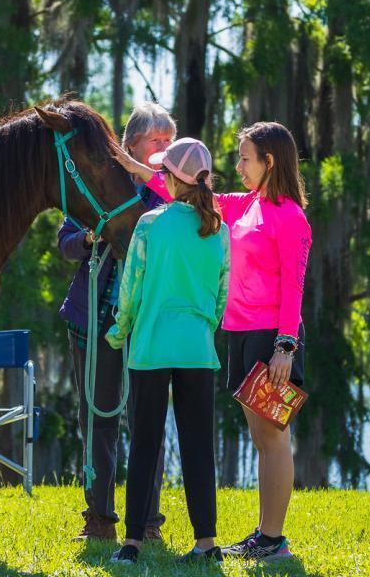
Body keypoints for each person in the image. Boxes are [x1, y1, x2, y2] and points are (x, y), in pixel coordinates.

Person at [118, 121, 311, 562]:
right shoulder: (246, 206)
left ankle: (273, 539)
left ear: (270, 161)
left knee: (274, 435)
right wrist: (136, 167)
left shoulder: (290, 216)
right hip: (239, 334)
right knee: (260, 436)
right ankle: (263, 534)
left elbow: (296, 288)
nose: (238, 166)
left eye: (245, 158)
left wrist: (286, 345)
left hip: (273, 339)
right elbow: (181, 192)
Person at [106, 138, 229, 565]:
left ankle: (133, 541)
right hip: (197, 348)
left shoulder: (150, 225)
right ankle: (207, 542)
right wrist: (201, 329)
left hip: (151, 347)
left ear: (171, 178)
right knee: (198, 447)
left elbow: (132, 290)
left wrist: (118, 333)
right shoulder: (219, 228)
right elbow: (220, 296)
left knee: (145, 442)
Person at [57, 103, 174, 541]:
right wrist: (91, 236)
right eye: (155, 141)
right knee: (97, 419)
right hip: (95, 318)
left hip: (150, 323)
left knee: (148, 422)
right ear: (130, 147)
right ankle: (99, 519)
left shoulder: (175, 193)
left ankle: (146, 522)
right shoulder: (100, 184)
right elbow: (66, 242)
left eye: (168, 141)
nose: (163, 148)